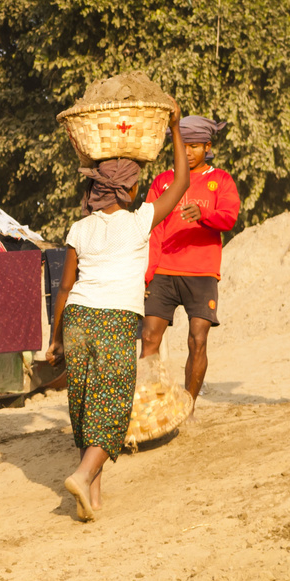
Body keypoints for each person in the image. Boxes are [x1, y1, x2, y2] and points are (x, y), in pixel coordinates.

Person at [45, 104, 189, 522]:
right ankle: (83, 474)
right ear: (127, 190)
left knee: (87, 403)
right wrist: (175, 128)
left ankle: (93, 494)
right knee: (113, 406)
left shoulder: (79, 228)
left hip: (76, 319)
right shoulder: (140, 220)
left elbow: (65, 287)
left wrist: (54, 338)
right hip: (113, 319)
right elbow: (180, 182)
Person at [140, 117, 241, 399]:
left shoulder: (220, 180)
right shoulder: (162, 182)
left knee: (197, 340)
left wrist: (204, 214)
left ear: (208, 146)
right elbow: (153, 230)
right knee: (149, 338)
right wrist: (147, 274)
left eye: (194, 146)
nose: (187, 152)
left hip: (202, 274)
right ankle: (150, 404)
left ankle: (188, 406)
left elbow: (230, 218)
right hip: (163, 272)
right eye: (182, 146)